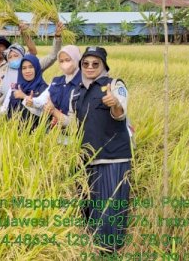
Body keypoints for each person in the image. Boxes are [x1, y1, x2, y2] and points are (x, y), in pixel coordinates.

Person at [63, 46, 132, 252]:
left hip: (112, 157)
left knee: (111, 206)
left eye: (95, 63)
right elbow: (73, 122)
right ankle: (94, 245)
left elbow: (121, 113)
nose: (90, 67)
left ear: (103, 65)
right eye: (85, 63)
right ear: (81, 65)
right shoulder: (76, 91)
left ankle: (111, 250)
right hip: (87, 158)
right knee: (91, 203)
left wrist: (115, 104)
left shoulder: (114, 85)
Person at [0, 22, 64, 111]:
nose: (13, 59)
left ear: (22, 55)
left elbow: (52, 56)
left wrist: (57, 37)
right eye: (10, 57)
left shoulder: (32, 66)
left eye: (16, 55)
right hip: (8, 111)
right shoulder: (3, 72)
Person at [36, 45, 82, 131]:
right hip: (54, 131)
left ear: (77, 59)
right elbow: (42, 100)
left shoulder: (84, 83)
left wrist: (54, 112)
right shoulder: (57, 81)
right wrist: (29, 100)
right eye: (61, 61)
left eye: (68, 60)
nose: (65, 63)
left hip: (74, 133)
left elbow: (79, 120)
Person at [0, 54, 49, 130]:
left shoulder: (46, 89)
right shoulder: (14, 87)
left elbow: (44, 113)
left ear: (37, 68)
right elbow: (4, 109)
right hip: (10, 133)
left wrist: (24, 97)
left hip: (34, 136)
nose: (27, 71)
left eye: (31, 67)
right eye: (24, 68)